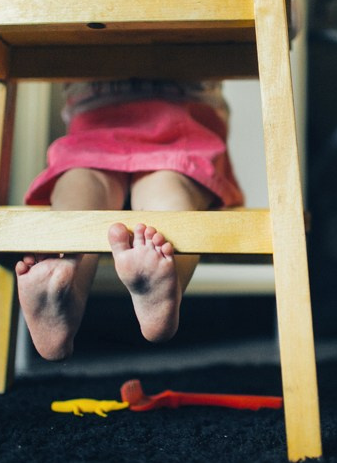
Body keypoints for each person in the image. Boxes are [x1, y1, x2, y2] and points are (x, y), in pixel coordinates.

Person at [17, 79, 244, 360]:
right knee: (168, 188)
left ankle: (64, 276)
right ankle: (159, 274)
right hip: (178, 124)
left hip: (98, 125)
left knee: (82, 184)